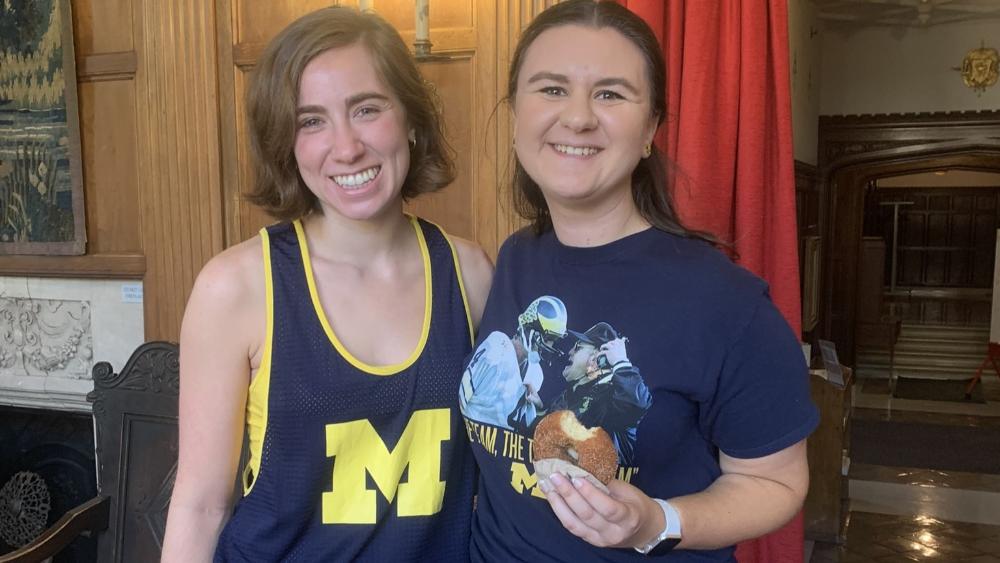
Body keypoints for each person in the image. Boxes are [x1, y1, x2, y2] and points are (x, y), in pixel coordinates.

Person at [458, 0, 819, 560]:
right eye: (551, 89)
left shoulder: (726, 304)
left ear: (650, 127)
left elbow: (776, 484)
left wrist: (657, 521)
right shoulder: (514, 260)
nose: (577, 117)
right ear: (515, 116)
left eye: (610, 93)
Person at [160, 7, 492, 562]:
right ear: (286, 141)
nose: (345, 147)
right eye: (310, 120)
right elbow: (199, 505)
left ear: (410, 118)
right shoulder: (236, 288)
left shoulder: (472, 274)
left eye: (366, 109)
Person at [460, 295, 568, 430]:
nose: (551, 345)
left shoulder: (536, 374)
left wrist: (539, 409)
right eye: (549, 338)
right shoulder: (498, 347)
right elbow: (462, 397)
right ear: (531, 330)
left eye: (554, 340)